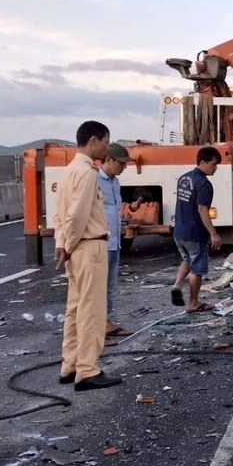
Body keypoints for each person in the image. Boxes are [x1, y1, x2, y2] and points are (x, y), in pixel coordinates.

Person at [54, 121, 123, 391]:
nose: (107, 148)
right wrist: (69, 244)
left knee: (74, 309)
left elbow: (61, 214)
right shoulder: (87, 173)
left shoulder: (69, 170)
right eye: (106, 142)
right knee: (92, 310)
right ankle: (87, 370)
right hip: (89, 245)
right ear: (94, 140)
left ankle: (69, 365)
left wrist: (63, 243)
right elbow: (79, 214)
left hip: (75, 248)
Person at [171, 147, 223, 312]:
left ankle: (177, 286)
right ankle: (193, 303)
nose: (215, 168)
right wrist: (213, 233)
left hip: (179, 231)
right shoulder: (204, 184)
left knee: (187, 259)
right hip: (195, 233)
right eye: (214, 164)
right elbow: (202, 209)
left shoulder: (184, 178)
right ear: (203, 162)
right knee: (197, 268)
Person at [98, 143, 133, 339]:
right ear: (109, 160)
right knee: (98, 287)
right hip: (100, 242)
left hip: (114, 241)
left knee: (110, 284)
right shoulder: (94, 180)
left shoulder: (114, 182)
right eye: (121, 163)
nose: (124, 167)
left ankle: (106, 322)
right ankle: (97, 327)